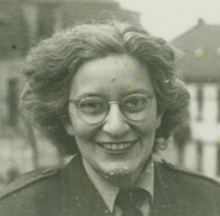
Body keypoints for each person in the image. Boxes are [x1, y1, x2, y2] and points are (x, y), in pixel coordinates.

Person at [0, 21, 220, 216]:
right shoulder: (18, 209)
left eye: (135, 103)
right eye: (91, 105)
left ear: (159, 112)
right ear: (66, 119)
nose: (116, 127)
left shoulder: (211, 201)